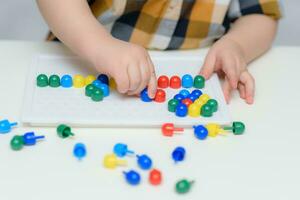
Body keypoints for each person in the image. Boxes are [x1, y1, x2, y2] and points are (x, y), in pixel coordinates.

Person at [37, 0, 282, 104]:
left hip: (198, 72)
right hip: (83, 58)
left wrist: (236, 45)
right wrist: (99, 45)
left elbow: (260, 14)